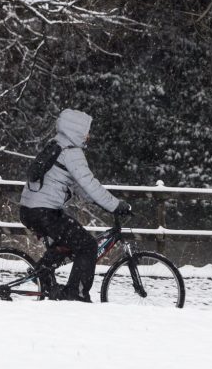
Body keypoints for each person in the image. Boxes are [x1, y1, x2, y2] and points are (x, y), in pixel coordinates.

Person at [19, 108, 132, 302]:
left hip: (32, 210)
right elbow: (90, 183)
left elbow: (80, 187)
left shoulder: (57, 144)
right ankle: (76, 293)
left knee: (69, 240)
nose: (88, 135)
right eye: (86, 130)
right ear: (77, 129)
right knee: (87, 246)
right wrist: (115, 205)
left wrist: (102, 203)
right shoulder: (71, 152)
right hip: (44, 212)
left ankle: (42, 272)